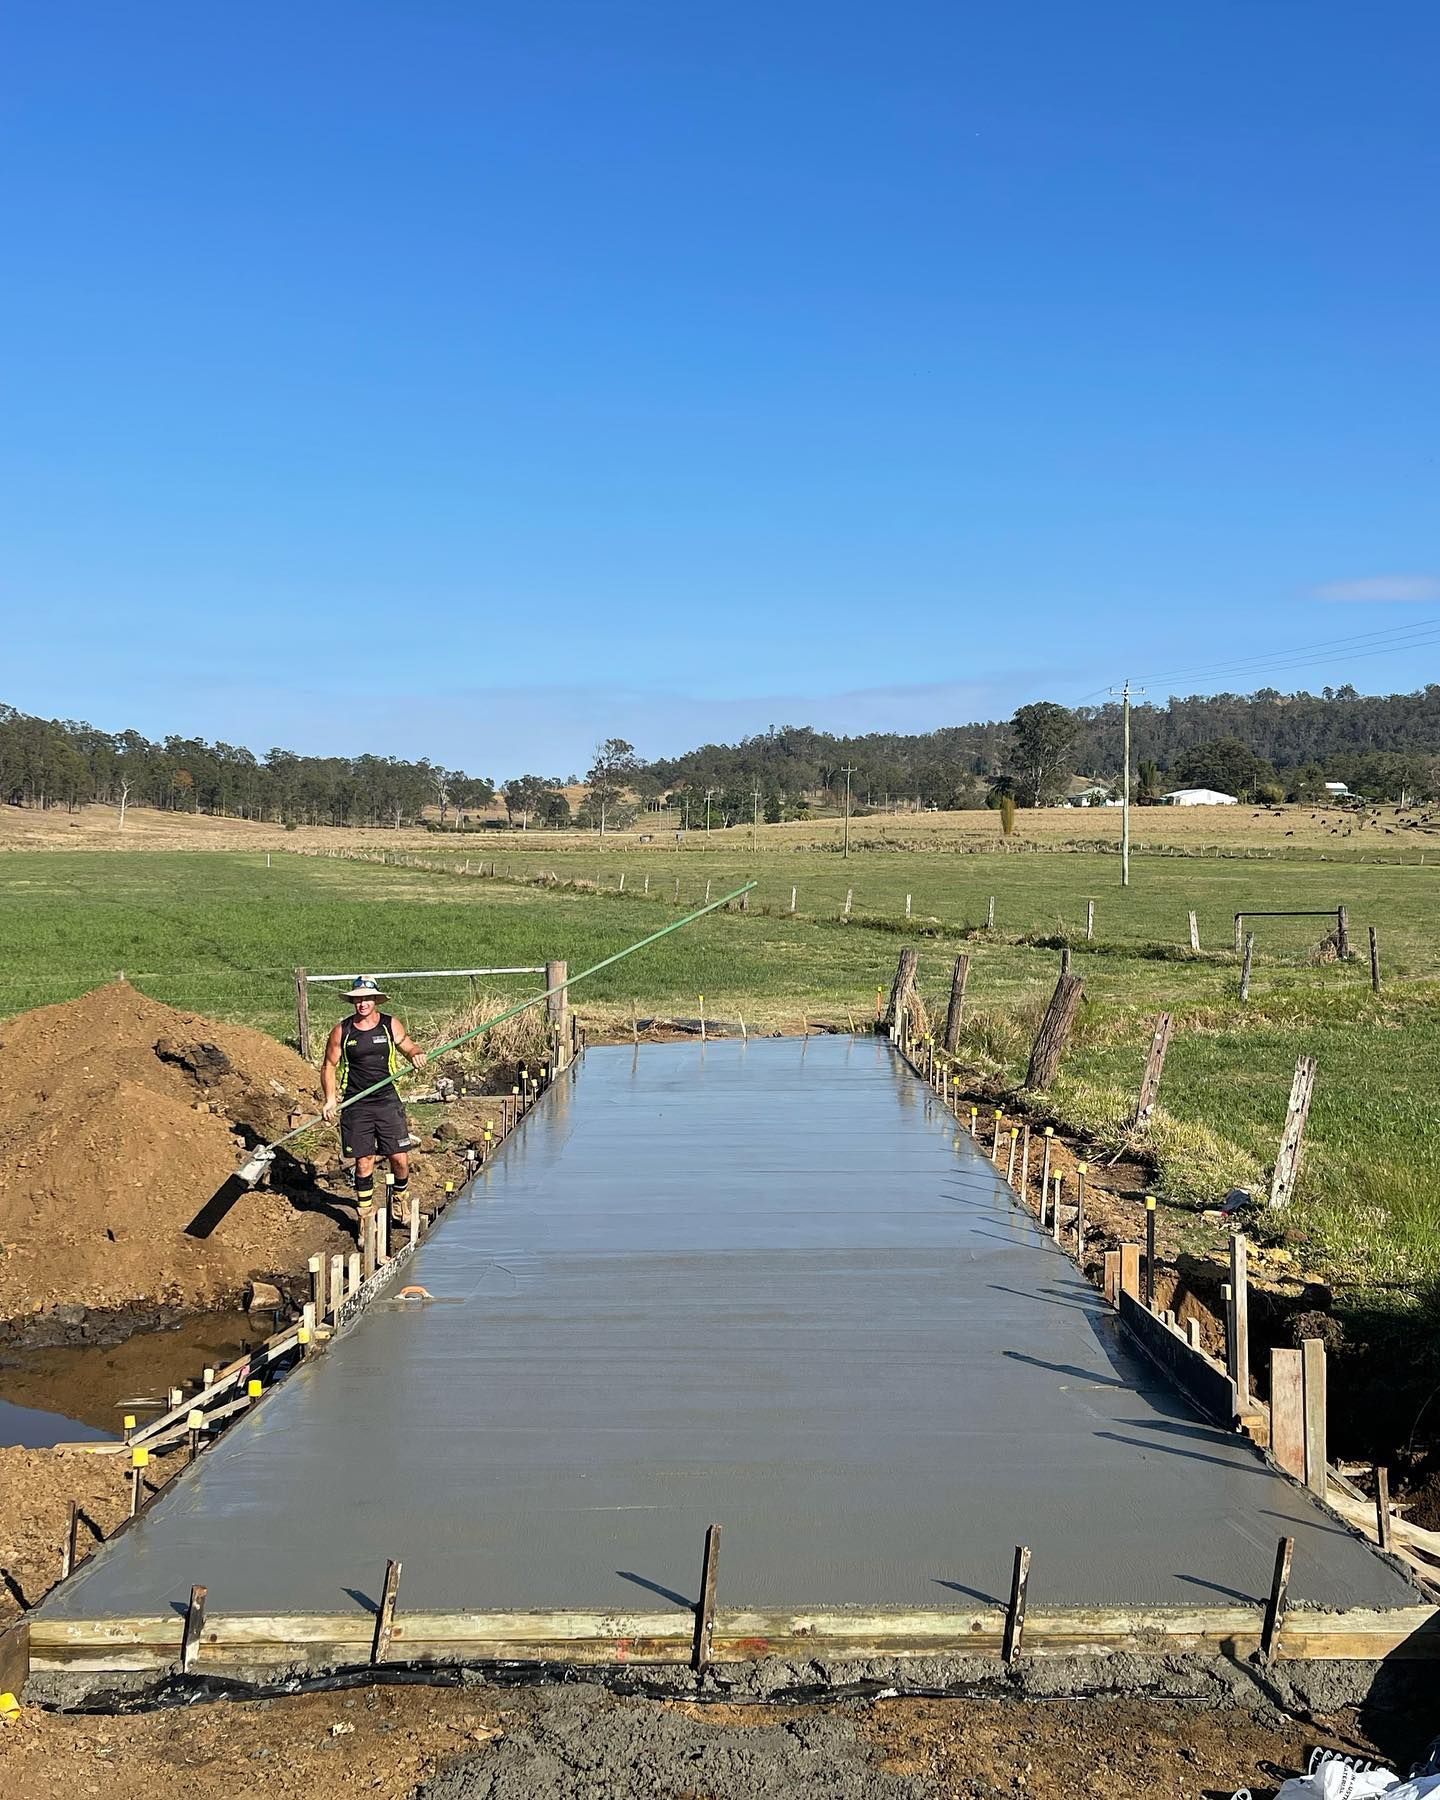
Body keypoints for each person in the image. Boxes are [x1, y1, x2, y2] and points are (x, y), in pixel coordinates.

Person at [321, 978, 427, 1225]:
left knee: (399, 1158)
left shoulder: (390, 1025)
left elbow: (408, 1047)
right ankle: (365, 1216)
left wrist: (416, 1055)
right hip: (356, 1104)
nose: (362, 1003)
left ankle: (400, 1203)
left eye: (366, 998)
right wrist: (329, 1099)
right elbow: (329, 1065)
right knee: (364, 1161)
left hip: (387, 1100)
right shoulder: (343, 1031)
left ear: (375, 1000)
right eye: (358, 999)